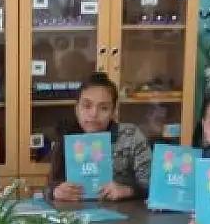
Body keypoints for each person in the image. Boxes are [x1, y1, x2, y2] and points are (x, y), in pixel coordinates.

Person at [48, 73, 152, 201]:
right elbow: (48, 188)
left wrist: (128, 191)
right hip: (76, 210)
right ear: (77, 109)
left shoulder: (131, 136)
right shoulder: (67, 136)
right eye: (87, 106)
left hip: (124, 211)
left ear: (113, 112)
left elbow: (154, 187)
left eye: (103, 108)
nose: (93, 114)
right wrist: (55, 192)